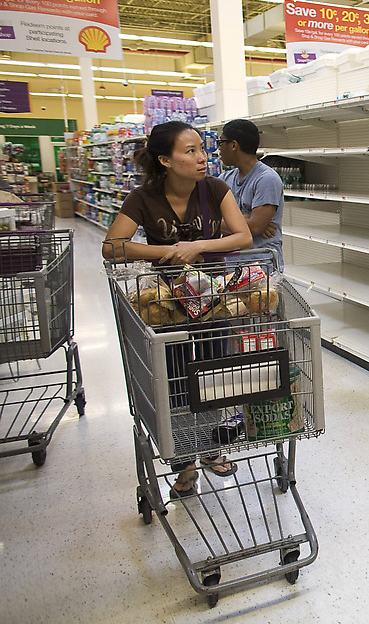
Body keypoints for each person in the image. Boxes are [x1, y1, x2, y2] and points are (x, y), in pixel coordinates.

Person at [103, 121, 253, 500]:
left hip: (216, 300)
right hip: (167, 305)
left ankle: (211, 446)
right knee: (174, 381)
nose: (202, 157)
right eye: (190, 151)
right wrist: (168, 252)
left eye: (202, 149)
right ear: (165, 160)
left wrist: (198, 244)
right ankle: (186, 458)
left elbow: (243, 235)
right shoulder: (143, 197)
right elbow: (112, 246)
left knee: (215, 372)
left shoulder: (215, 189)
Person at [217, 119, 284, 268]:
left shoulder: (266, 179)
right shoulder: (224, 179)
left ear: (233, 145)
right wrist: (245, 220)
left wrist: (220, 221)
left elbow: (255, 227)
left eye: (221, 143)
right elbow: (208, 216)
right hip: (231, 265)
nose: (219, 149)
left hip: (261, 267)